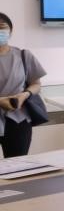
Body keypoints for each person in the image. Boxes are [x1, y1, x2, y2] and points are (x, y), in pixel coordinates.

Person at [0, 12, 46, 158]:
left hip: (18, 119)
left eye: (2, 27)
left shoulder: (23, 55)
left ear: (10, 31)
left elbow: (36, 84)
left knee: (17, 165)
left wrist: (24, 95)